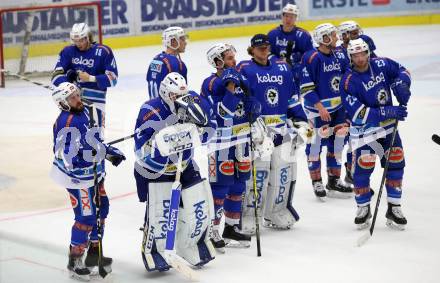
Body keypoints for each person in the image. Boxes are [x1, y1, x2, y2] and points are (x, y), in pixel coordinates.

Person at [134, 72, 216, 271]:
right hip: (157, 170)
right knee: (160, 215)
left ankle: (194, 246)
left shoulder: (192, 99)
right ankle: (156, 253)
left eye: (180, 94)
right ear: (164, 92)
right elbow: (140, 148)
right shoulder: (150, 110)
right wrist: (160, 142)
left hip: (185, 165)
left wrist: (198, 126)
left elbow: (210, 128)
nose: (177, 99)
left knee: (198, 207)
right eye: (172, 96)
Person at [50, 82, 126, 281]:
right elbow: (64, 156)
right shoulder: (65, 123)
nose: (77, 99)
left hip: (94, 174)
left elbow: (92, 141)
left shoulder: (83, 113)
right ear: (63, 103)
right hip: (78, 179)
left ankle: (93, 256)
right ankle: (75, 261)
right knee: (85, 218)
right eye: (72, 98)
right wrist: (89, 155)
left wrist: (107, 152)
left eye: (77, 94)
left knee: (102, 210)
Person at [237, 34, 308, 234]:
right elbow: (238, 101)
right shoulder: (244, 69)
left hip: (281, 130)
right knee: (258, 175)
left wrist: (301, 120)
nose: (263, 50)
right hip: (258, 133)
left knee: (283, 173)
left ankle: (276, 210)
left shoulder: (282, 68)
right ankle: (250, 214)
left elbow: (292, 98)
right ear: (252, 49)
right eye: (259, 47)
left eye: (266, 47)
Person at [201, 43, 266, 251]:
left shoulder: (240, 78)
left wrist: (253, 106)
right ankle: (212, 231)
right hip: (220, 144)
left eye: (233, 57)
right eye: (229, 58)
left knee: (239, 185)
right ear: (217, 61)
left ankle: (231, 227)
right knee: (220, 188)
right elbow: (222, 112)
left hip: (241, 140)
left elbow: (251, 102)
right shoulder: (210, 83)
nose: (233, 62)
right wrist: (229, 88)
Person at [340, 38, 411, 230]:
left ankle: (394, 207)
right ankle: (363, 207)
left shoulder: (381, 64)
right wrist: (388, 111)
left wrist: (402, 85)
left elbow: (403, 70)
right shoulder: (347, 81)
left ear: (368, 53)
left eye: (363, 53)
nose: (360, 58)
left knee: (396, 162)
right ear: (350, 57)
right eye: (355, 55)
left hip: (388, 128)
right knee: (363, 168)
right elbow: (358, 114)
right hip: (365, 132)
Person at [300, 23, 353, 200]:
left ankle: (334, 179)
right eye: (332, 35)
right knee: (314, 147)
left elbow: (348, 77)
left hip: (338, 109)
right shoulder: (311, 57)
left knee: (338, 144)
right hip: (316, 112)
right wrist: (320, 107)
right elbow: (306, 88)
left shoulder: (339, 55)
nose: (337, 37)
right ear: (324, 38)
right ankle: (317, 182)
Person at [52, 23, 118, 119]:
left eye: (81, 40)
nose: (78, 44)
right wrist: (71, 87)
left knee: (95, 133)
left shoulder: (104, 51)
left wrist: (91, 78)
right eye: (75, 41)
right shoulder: (68, 51)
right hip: (72, 101)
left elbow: (113, 80)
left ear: (88, 37)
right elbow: (56, 76)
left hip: (96, 101)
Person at [146, 26, 188, 99]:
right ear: (173, 41)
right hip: (168, 108)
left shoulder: (155, 60)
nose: (185, 42)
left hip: (154, 105)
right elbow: (181, 92)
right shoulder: (176, 63)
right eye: (182, 39)